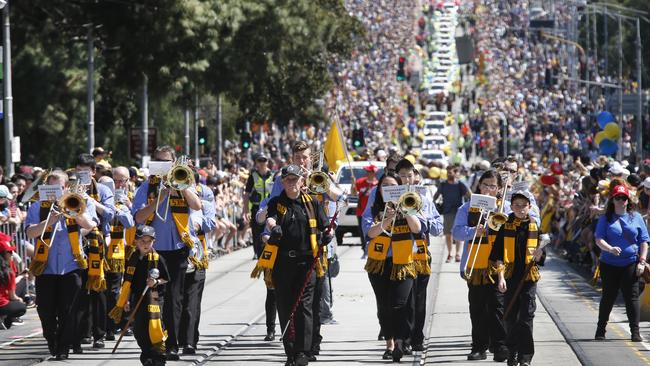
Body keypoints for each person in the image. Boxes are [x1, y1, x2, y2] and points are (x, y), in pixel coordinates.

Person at [254, 164, 330, 366]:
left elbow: (324, 225)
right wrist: (274, 227)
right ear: (282, 182)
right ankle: (290, 351)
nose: (291, 182)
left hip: (307, 262)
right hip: (283, 263)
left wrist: (326, 236)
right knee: (286, 307)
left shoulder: (312, 202)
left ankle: (302, 352)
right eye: (287, 179)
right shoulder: (277, 202)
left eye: (295, 179)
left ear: (301, 181)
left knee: (304, 307)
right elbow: (270, 218)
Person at [132, 146, 202, 360]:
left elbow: (197, 206)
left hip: (177, 250)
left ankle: (172, 344)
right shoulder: (147, 186)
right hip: (152, 251)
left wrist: (181, 184)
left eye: (168, 162)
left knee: (174, 299)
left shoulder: (183, 182)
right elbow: (139, 217)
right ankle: (154, 342)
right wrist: (159, 198)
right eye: (160, 162)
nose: (164, 166)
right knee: (153, 299)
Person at [25, 170, 99, 360]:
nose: (54, 191)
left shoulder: (79, 202)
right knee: (46, 312)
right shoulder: (36, 207)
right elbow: (31, 233)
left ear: (66, 187)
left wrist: (72, 212)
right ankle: (52, 339)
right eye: (50, 187)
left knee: (69, 310)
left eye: (58, 187)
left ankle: (63, 348)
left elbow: (90, 225)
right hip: (45, 267)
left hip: (71, 266)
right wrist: (50, 220)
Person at [366, 170, 426, 362]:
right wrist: (388, 217)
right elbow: (370, 233)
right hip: (380, 263)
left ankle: (400, 341)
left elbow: (417, 228)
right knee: (384, 306)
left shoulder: (410, 202)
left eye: (393, 186)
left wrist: (405, 210)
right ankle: (390, 344)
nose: (389, 190)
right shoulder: (374, 207)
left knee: (400, 304)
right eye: (385, 187)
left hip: (404, 262)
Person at [453, 169, 508, 361]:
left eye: (493, 186)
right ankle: (479, 347)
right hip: (476, 266)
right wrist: (473, 231)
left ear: (500, 189)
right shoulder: (467, 208)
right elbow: (457, 233)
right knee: (477, 308)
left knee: (497, 307)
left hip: (497, 265)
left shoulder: (506, 208)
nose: (488, 189)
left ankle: (500, 345)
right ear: (479, 186)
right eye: (485, 185)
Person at [490, 190, 544, 366]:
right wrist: (501, 278)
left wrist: (540, 254)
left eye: (524, 205)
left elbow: (542, 256)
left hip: (529, 278)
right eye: (516, 205)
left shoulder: (535, 226)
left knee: (526, 317)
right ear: (511, 207)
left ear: (529, 207)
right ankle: (512, 352)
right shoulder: (506, 226)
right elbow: (497, 254)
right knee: (511, 317)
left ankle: (525, 356)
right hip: (510, 277)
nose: (520, 209)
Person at [594, 184, 648, 342]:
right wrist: (610, 249)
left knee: (632, 297)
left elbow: (644, 241)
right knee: (608, 296)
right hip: (609, 263)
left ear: (628, 200)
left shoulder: (636, 217)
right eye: (617, 198)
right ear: (612, 200)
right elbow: (599, 239)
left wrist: (642, 262)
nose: (621, 201)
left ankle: (635, 332)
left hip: (630, 263)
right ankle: (600, 330)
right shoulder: (605, 218)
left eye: (624, 198)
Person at [109, 225, 170, 366]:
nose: (146, 244)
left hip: (154, 298)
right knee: (139, 329)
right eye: (143, 241)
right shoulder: (132, 258)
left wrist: (155, 281)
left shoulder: (158, 258)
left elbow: (166, 278)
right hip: (138, 298)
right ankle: (147, 353)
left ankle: (158, 357)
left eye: (149, 241)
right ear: (136, 241)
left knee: (155, 327)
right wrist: (126, 300)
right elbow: (128, 282)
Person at [179, 170, 217, 355]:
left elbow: (211, 224)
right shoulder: (171, 201)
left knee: (191, 303)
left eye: (189, 181)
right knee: (175, 300)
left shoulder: (205, 204)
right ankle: (174, 338)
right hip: (175, 254)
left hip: (197, 257)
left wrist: (196, 223)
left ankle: (189, 341)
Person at [433, 164, 469, 263]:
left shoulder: (460, 184)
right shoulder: (443, 184)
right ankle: (450, 254)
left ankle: (458, 254)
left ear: (456, 172)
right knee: (448, 234)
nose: (449, 173)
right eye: (448, 172)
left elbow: (468, 194)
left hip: (459, 212)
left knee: (459, 234)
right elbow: (436, 195)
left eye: (451, 171)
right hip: (447, 212)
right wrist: (433, 205)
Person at [243, 152, 275, 260]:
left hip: (270, 207)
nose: (262, 163)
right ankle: (257, 253)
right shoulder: (253, 176)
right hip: (256, 208)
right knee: (256, 232)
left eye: (264, 160)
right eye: (259, 160)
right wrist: (245, 210)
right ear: (256, 162)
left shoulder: (273, 175)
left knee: (270, 230)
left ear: (267, 162)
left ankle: (268, 251)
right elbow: (246, 194)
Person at [0, 232, 26, 329]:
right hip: (2, 304)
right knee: (21, 307)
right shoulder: (7, 270)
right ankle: (7, 317)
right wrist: (20, 300)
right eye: (10, 252)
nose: (12, 254)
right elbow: (12, 295)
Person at [353, 164, 379, 252]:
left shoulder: (378, 185)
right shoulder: (360, 182)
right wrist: (353, 183)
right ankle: (364, 248)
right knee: (362, 231)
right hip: (361, 212)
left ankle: (371, 246)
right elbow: (353, 192)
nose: (367, 173)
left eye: (369, 172)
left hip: (373, 212)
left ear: (373, 173)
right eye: (367, 171)